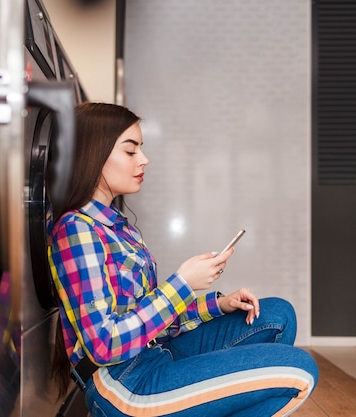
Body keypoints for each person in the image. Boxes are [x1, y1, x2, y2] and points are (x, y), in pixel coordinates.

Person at [47, 102, 318, 417]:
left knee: (277, 316)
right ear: (92, 154)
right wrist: (183, 283)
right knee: (300, 370)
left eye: (141, 150)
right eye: (131, 151)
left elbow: (150, 320)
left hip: (155, 353)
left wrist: (219, 304)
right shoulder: (76, 229)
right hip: (124, 383)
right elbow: (104, 344)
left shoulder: (121, 228)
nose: (144, 160)